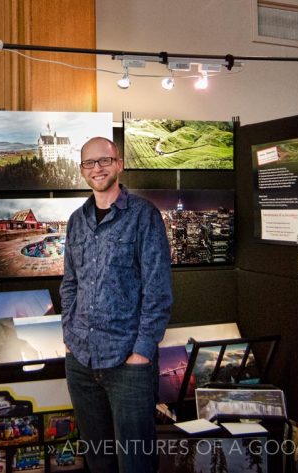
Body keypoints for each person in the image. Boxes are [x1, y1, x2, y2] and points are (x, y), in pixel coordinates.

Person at [60, 136, 173, 473]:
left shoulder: (143, 216)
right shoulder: (76, 220)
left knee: (136, 463)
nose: (98, 168)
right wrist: (70, 337)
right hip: (81, 361)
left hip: (128, 365)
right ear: (82, 171)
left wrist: (141, 353)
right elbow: (70, 284)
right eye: (90, 163)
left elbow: (158, 291)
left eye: (104, 161)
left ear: (119, 164)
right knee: (98, 461)